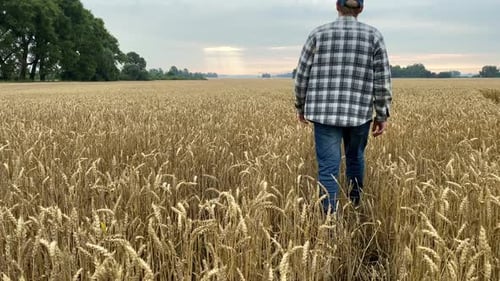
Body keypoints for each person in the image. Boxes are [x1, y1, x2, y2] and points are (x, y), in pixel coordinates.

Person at [294, 0, 392, 213]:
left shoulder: (318, 34)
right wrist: (381, 114)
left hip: (324, 115)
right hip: (359, 114)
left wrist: (301, 106)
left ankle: (330, 223)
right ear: (361, 9)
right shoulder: (374, 36)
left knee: (328, 168)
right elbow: (382, 80)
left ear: (337, 7)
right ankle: (356, 206)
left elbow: (302, 75)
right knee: (355, 158)